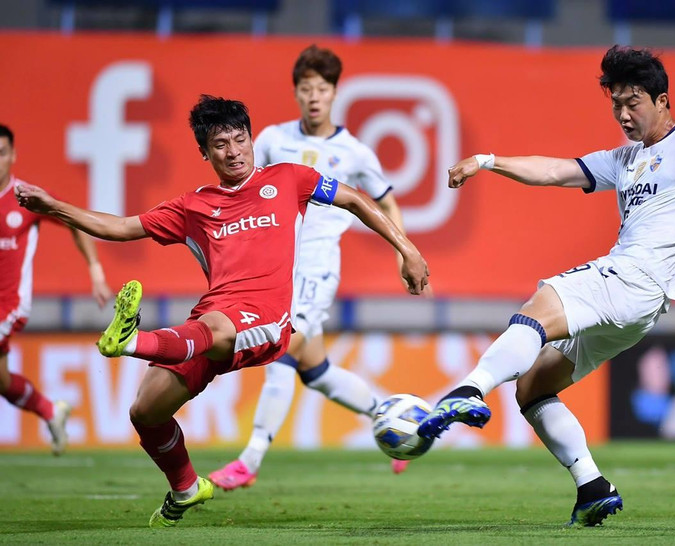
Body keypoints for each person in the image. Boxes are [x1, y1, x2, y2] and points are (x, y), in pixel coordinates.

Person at [15, 95, 429, 528]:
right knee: (145, 412)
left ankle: (131, 340)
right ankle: (187, 487)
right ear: (204, 152)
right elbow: (121, 227)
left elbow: (357, 200)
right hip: (211, 320)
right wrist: (53, 207)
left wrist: (409, 251)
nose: (233, 152)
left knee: (215, 329)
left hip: (266, 320)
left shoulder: (289, 178)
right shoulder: (193, 206)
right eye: (220, 144)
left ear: (252, 139)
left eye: (240, 139)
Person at [416, 46, 675, 527]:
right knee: (532, 387)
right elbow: (555, 170)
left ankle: (467, 390)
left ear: (663, 100)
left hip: (632, 279)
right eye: (616, 103)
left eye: (634, 102)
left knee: (538, 308)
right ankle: (593, 487)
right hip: (638, 309)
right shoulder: (627, 158)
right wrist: (488, 160)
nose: (623, 114)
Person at [209, 45, 415, 490]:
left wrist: (403, 251)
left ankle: (250, 459)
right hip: (277, 268)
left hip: (318, 268)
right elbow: (245, 190)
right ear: (296, 93)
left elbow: (386, 201)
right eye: (306, 89)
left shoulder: (354, 152)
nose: (314, 97)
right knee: (316, 372)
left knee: (281, 350)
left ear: (335, 93)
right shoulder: (270, 139)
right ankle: (398, 419)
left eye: (322, 88)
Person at [0, 124, 111, 455]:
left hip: (10, 304)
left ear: (13, 156)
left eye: (1, 153)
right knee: (4, 382)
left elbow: (73, 221)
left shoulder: (25, 197)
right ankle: (52, 411)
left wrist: (95, 268)